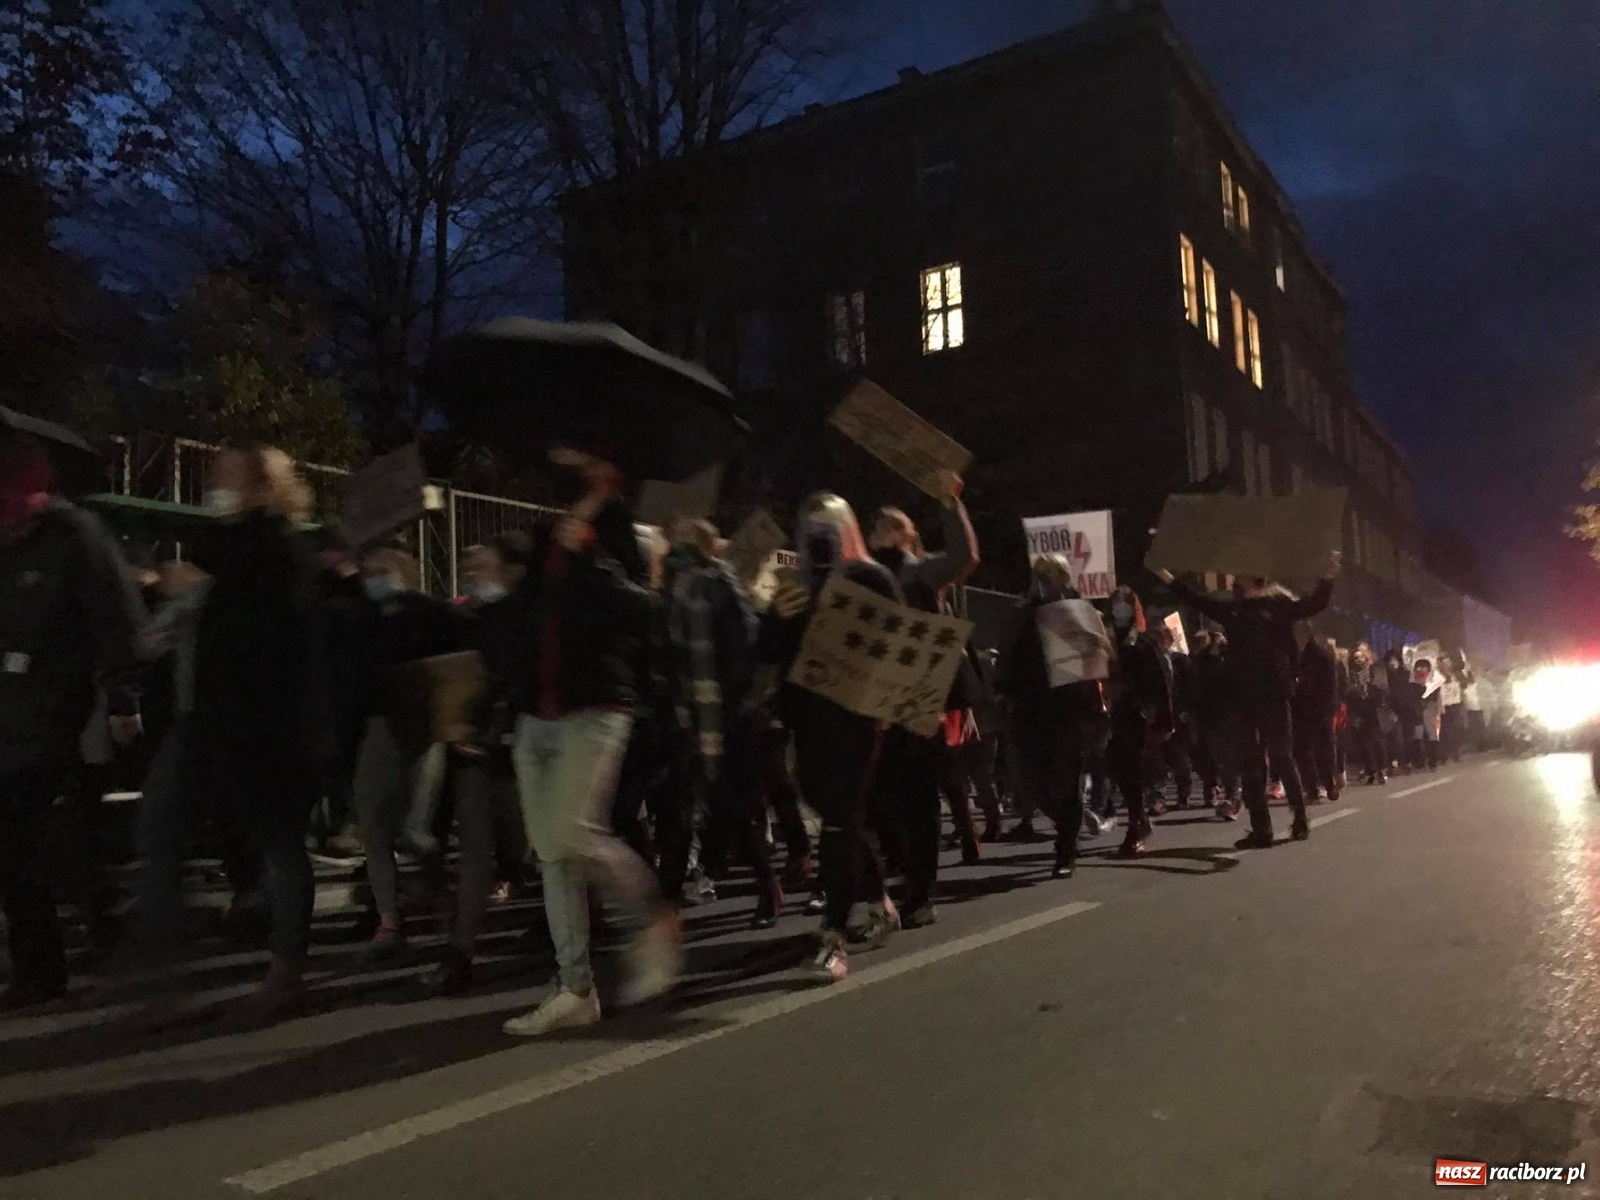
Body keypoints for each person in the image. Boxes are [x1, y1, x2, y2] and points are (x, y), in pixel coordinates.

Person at [501, 447, 680, 1037]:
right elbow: (526, 622)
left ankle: (653, 921)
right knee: (552, 852)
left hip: (596, 706)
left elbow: (645, 608)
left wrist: (588, 560)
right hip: (537, 714)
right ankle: (573, 987)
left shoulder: (613, 531)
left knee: (574, 832)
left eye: (573, 452)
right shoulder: (545, 533)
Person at [182, 445, 330, 1022]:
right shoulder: (242, 551)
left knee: (282, 849)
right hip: (243, 726)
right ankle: (267, 941)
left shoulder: (277, 552)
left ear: (263, 487)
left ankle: (287, 969)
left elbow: (277, 651)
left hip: (274, 729)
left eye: (229, 478)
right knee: (264, 845)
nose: (217, 487)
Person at [0, 430, 146, 1009]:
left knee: (27, 840)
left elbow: (116, 620)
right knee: (23, 846)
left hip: (59, 715)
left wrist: (122, 700)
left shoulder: (74, 536)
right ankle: (57, 954)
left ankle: (57, 960)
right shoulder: (10, 545)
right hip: (9, 717)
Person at [761, 492, 903, 982]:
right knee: (835, 814)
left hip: (854, 719)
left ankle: (833, 935)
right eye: (810, 530)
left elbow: (898, 647)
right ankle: (879, 902)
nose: (817, 540)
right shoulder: (794, 584)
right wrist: (778, 615)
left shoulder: (872, 579)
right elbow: (768, 650)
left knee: (839, 821)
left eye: (827, 530)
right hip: (806, 718)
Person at [1156, 552, 1341, 849]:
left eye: (1239, 572)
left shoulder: (1278, 605)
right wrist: (1164, 574)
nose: (1233, 577)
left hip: (1274, 693)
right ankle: (1261, 829)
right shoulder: (1234, 608)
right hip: (1242, 694)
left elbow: (1315, 604)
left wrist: (1329, 574)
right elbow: (1196, 599)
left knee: (1282, 755)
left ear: (1253, 576)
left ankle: (1300, 817)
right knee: (1250, 760)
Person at [652, 518, 783, 930]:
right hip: (687, 717)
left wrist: (731, 707)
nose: (672, 547)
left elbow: (744, 648)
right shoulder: (671, 587)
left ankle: (768, 886)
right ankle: (668, 903)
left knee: (733, 809)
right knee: (677, 814)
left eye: (682, 542)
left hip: (723, 717)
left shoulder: (718, 584)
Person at [421, 534, 533, 996]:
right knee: (474, 853)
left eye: (480, 561)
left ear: (509, 569)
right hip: (479, 753)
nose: (470, 568)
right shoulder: (467, 619)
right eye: (466, 562)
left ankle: (582, 930)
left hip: (522, 751)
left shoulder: (528, 619)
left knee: (540, 849)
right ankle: (458, 954)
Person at [867, 474, 978, 927]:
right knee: (893, 795)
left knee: (908, 795)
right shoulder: (876, 574)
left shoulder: (911, 572)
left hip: (904, 697)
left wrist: (950, 504)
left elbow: (964, 557)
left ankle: (918, 888)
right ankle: (911, 884)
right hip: (892, 696)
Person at [350, 546, 458, 961]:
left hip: (423, 726)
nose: (372, 578)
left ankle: (435, 887)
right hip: (382, 724)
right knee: (374, 823)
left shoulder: (430, 613)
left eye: (382, 571)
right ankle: (390, 918)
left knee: (415, 827)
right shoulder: (367, 617)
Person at [996, 555, 1110, 878]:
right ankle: (1065, 822)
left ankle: (1066, 850)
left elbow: (1097, 659)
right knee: (1031, 779)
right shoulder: (1022, 614)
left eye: (1049, 574)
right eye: (1038, 574)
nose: (1042, 580)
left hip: (1069, 711)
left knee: (1067, 780)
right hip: (1030, 710)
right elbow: (1007, 656)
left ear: (1063, 577)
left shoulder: (1079, 613)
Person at [1104, 586, 1173, 856]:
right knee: (1118, 770)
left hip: (1134, 714)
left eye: (1125, 603)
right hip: (1108, 713)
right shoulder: (1104, 639)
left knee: (1131, 770)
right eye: (1116, 603)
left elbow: (1158, 683)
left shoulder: (1142, 643)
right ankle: (1140, 819)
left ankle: (1135, 825)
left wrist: (1162, 718)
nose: (1119, 608)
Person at [1190, 628, 1241, 819]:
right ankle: (1224, 792)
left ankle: (1233, 798)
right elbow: (1197, 687)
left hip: (1226, 717)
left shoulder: (1226, 661)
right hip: (1208, 717)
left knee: (1229, 760)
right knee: (1212, 759)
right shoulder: (1201, 663)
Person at [1291, 620, 1339, 804]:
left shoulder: (1321, 655)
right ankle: (1311, 788)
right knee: (1302, 751)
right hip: (1300, 710)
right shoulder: (1293, 654)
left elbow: (1330, 685)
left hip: (1320, 709)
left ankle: (1328, 783)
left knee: (1323, 750)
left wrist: (1329, 708)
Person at [1345, 643, 1388, 785]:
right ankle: (1371, 770)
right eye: (1355, 658)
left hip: (1374, 710)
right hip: (1360, 711)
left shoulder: (1374, 670)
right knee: (1364, 744)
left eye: (1360, 657)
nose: (1358, 660)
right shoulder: (1351, 675)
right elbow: (1349, 694)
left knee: (1377, 741)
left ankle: (1382, 769)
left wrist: (1370, 686)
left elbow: (1382, 689)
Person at [1385, 648, 1420, 772]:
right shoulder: (1386, 675)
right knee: (1396, 738)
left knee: (1407, 736)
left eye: (1394, 660)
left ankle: (1407, 761)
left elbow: (1413, 690)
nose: (1391, 663)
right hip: (1393, 709)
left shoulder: (1406, 674)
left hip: (1407, 709)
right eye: (1389, 660)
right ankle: (1395, 762)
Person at [1439, 654, 1466, 763]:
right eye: (1445, 663)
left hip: (1455, 705)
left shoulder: (1456, 675)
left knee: (1456, 728)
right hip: (1444, 706)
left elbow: (1463, 687)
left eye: (1448, 663)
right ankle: (1444, 754)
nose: (1447, 665)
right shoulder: (1438, 678)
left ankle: (1456, 752)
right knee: (1445, 731)